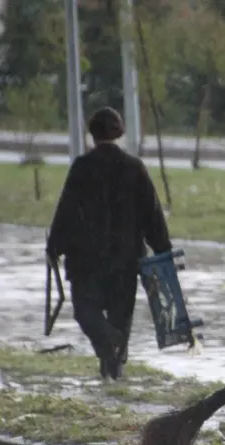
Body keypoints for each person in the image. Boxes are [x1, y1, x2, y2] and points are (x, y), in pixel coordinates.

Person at [47, 106, 172, 380]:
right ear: (120, 133)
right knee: (119, 317)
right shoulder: (134, 168)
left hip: (85, 261)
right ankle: (114, 367)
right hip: (125, 262)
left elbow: (66, 210)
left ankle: (110, 359)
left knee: (86, 313)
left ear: (92, 134)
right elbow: (152, 214)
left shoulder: (82, 167)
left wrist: (54, 246)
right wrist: (163, 249)